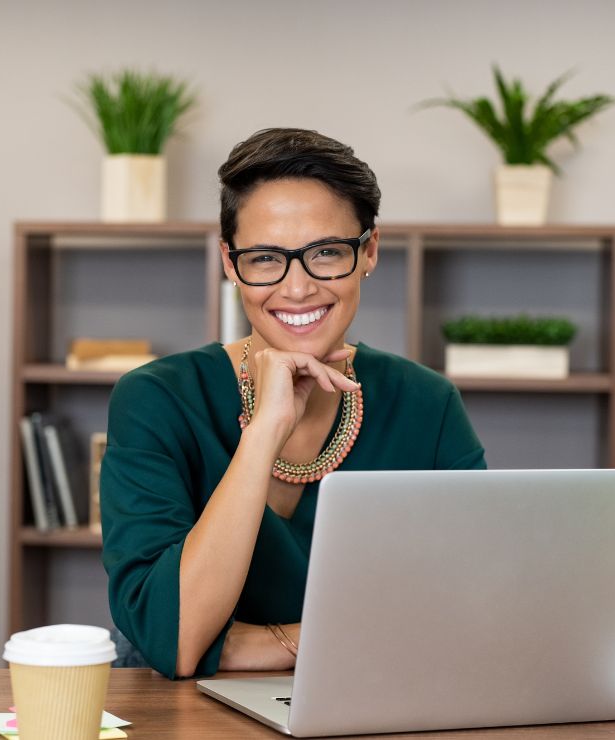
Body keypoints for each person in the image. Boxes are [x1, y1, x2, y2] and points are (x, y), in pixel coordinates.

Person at [100, 128, 486, 679]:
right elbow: (178, 639)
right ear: (231, 265)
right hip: (184, 715)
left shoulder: (428, 403)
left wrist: (249, 646)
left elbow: (469, 610)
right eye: (265, 259)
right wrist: (263, 432)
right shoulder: (155, 398)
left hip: (370, 696)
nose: (298, 287)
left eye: (326, 253)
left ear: (369, 251)